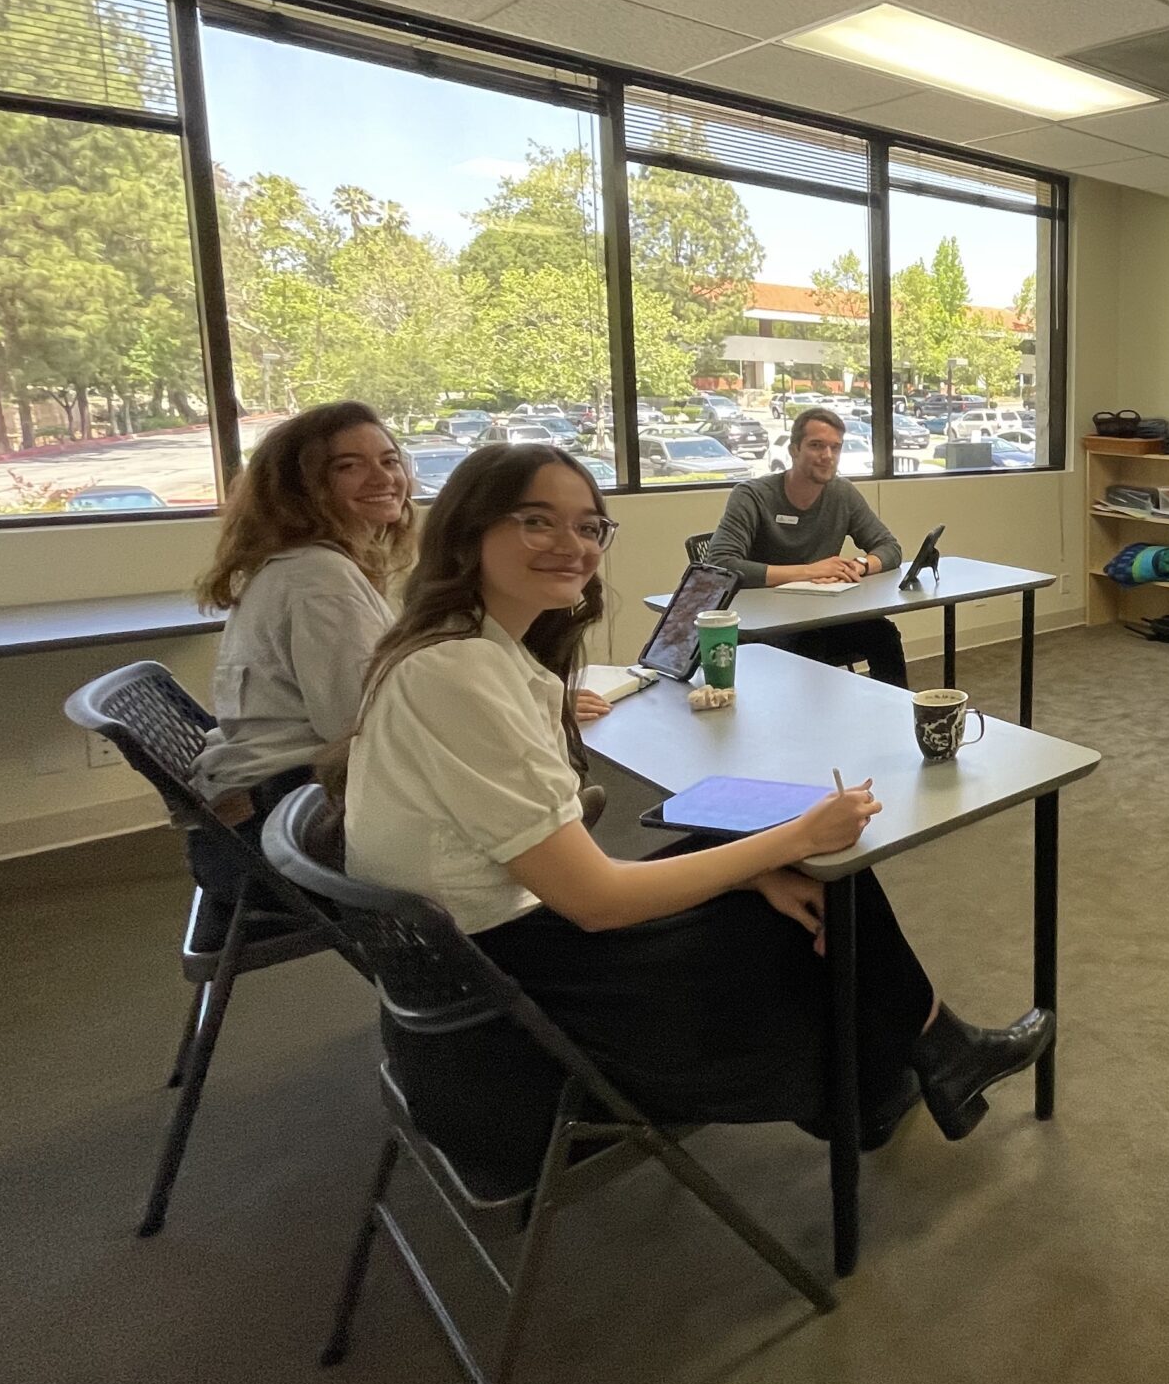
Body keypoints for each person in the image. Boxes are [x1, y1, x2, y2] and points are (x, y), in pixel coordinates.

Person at [330, 442, 1050, 1149]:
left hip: (488, 962)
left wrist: (761, 864)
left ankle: (909, 1071)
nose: (571, 544)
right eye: (536, 521)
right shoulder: (458, 675)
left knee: (778, 866)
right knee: (815, 886)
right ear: (468, 531)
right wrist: (794, 839)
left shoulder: (466, 651)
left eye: (588, 527)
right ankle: (900, 1075)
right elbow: (596, 900)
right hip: (515, 1010)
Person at [190, 401, 416, 900]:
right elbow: (361, 728)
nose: (382, 477)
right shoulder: (320, 579)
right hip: (288, 834)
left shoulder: (295, 565)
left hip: (257, 824)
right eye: (348, 466)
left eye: (389, 459)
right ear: (302, 489)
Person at [705, 406, 908, 687]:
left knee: (882, 634)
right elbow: (721, 564)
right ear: (794, 450)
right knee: (807, 648)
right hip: (764, 624)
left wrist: (858, 566)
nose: (827, 456)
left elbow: (889, 547)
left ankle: (897, 720)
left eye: (835, 448)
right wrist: (809, 571)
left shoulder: (842, 493)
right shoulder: (752, 496)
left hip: (820, 615)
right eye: (816, 446)